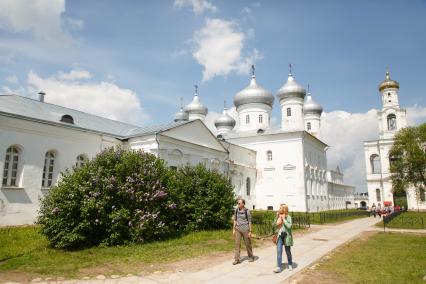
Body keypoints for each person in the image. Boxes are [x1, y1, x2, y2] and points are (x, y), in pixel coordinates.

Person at [232, 198, 254, 265]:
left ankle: (250, 256)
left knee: (248, 244)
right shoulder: (236, 210)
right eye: (237, 203)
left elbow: (249, 221)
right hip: (238, 229)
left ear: (243, 204)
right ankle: (237, 259)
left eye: (239, 203)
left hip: (245, 229)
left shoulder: (247, 211)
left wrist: (250, 231)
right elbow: (235, 220)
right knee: (237, 244)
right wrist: (233, 229)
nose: (238, 204)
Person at [274, 204, 293, 273]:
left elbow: (289, 226)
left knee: (288, 251)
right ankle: (278, 267)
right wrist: (276, 217)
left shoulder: (288, 217)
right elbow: (273, 225)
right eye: (279, 208)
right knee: (279, 251)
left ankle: (290, 264)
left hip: (286, 236)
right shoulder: (278, 216)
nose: (279, 209)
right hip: (279, 236)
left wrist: (284, 219)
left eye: (281, 208)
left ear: (285, 209)